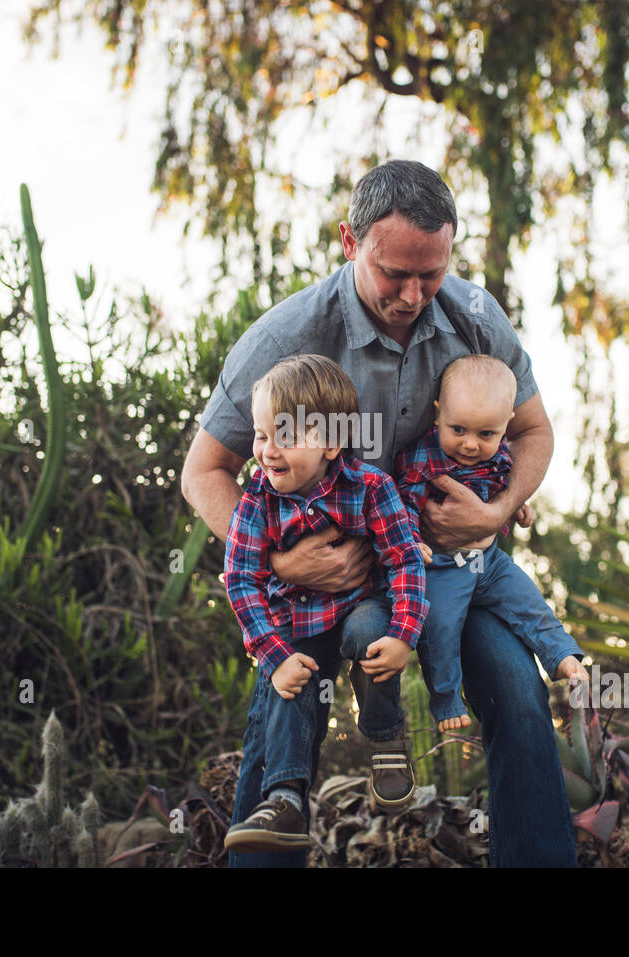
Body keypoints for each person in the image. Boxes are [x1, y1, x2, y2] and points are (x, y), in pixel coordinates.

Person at [182, 158, 583, 867]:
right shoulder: (286, 339)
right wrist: (278, 560)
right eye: (394, 271)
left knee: (520, 694)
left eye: (431, 272)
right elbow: (204, 470)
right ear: (349, 241)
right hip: (321, 591)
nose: (413, 293)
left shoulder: (476, 318)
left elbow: (534, 431)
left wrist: (498, 510)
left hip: (454, 571)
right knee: (282, 715)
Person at [221, 355, 429, 853]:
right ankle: (286, 798)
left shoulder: (370, 487)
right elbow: (241, 579)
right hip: (298, 619)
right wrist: (274, 658)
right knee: (291, 684)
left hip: (361, 607)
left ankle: (385, 738)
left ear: (332, 443)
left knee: (368, 637)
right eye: (260, 435)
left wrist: (404, 636)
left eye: (284, 437)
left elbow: (404, 559)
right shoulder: (256, 501)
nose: (266, 451)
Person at [395, 353, 586, 733]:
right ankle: (446, 697)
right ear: (437, 415)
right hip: (444, 565)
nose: (469, 444)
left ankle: (563, 656)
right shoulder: (422, 456)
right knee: (440, 625)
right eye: (458, 429)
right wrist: (410, 540)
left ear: (505, 426)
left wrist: (517, 507)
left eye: (486, 434)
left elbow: (501, 485)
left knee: (528, 601)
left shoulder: (500, 453)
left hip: (488, 561)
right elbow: (400, 500)